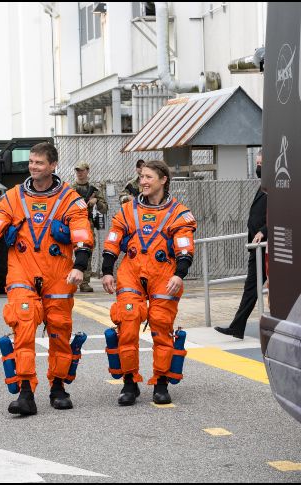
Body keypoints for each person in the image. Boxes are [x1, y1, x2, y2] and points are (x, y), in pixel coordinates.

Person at [0, 142, 93, 416]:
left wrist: (80, 266)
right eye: (31, 162)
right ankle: (26, 392)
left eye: (39, 162)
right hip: (22, 272)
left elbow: (82, 233)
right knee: (23, 329)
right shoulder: (14, 197)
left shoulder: (70, 199)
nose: (33, 167)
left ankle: (58, 387)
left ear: (53, 165)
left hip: (58, 275)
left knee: (59, 331)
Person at [101, 160, 197, 406]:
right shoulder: (127, 211)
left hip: (164, 275)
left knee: (161, 325)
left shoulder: (178, 213)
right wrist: (107, 271)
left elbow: (185, 248)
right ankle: (129, 382)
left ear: (163, 180)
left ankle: (161, 382)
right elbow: (113, 241)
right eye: (141, 177)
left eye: (148, 177)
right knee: (128, 323)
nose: (143, 181)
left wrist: (179, 274)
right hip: (131, 273)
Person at [215, 150, 267, 339]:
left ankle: (238, 326)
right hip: (257, 247)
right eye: (257, 163)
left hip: (266, 247)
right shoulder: (264, 186)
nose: (258, 167)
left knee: (254, 287)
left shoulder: (277, 186)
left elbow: (282, 212)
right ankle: (237, 327)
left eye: (262, 163)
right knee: (251, 288)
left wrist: (265, 231)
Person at [70, 160, 107, 293]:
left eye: (82, 170)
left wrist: (96, 201)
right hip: (72, 222)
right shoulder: (71, 189)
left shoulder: (94, 190)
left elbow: (104, 209)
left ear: (87, 171)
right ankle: (67, 280)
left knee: (86, 252)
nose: (79, 173)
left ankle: (84, 282)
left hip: (87, 223)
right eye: (77, 170)